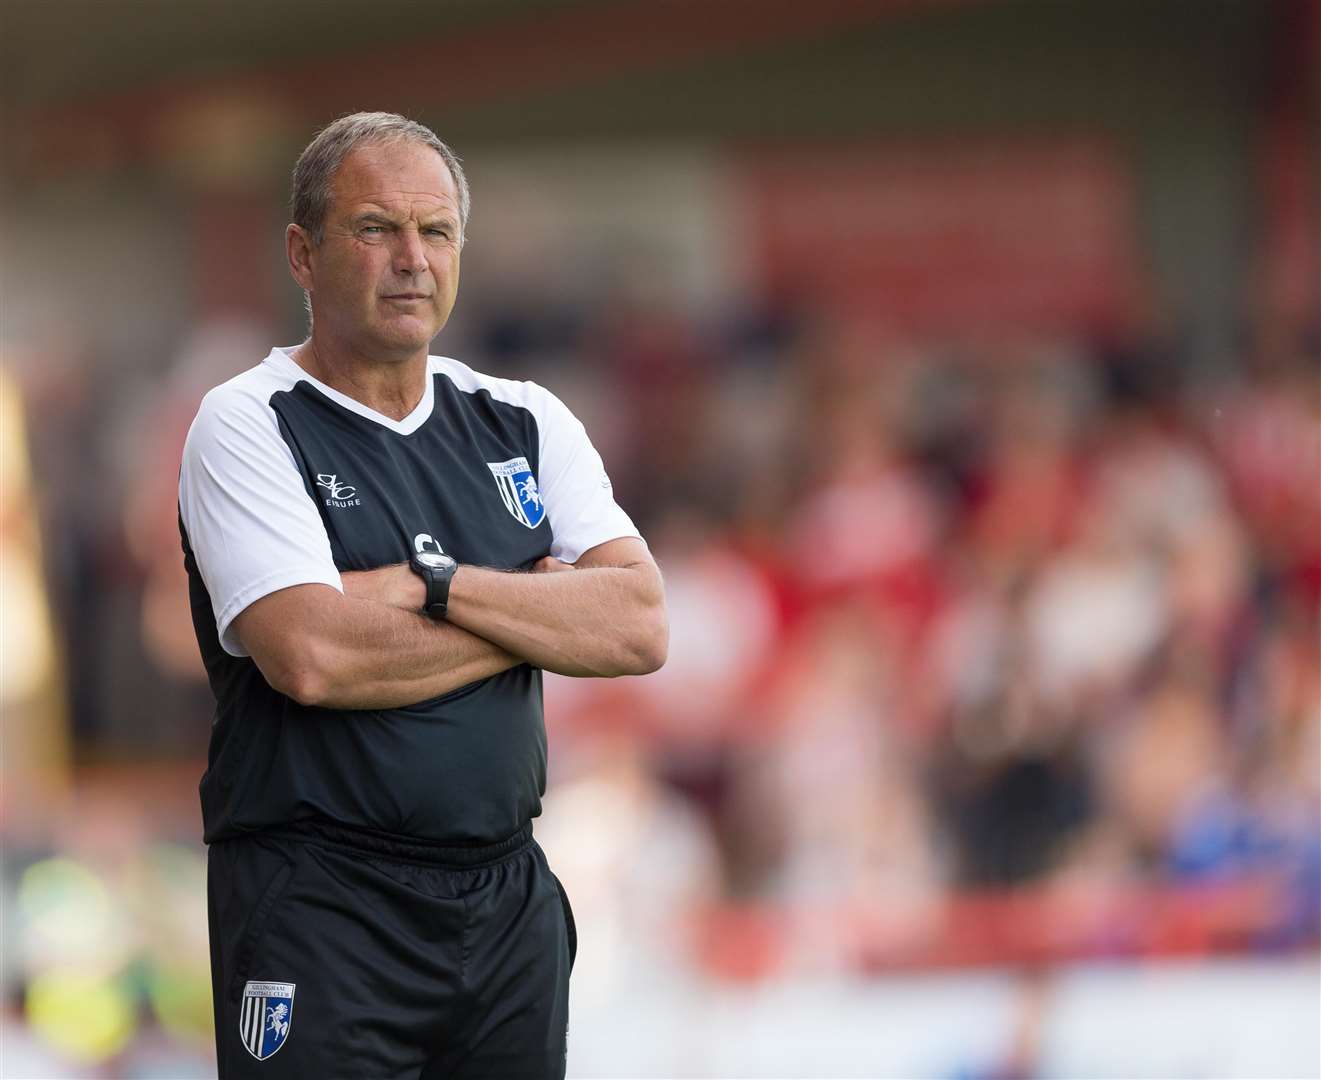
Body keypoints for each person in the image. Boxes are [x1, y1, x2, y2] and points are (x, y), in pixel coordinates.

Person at [178, 112, 667, 1079]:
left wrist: (427, 586)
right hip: (321, 898)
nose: (412, 259)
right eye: (375, 229)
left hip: (506, 897)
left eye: (435, 232)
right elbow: (315, 657)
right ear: (302, 254)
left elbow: (641, 624)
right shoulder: (247, 421)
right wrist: (534, 619)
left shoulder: (524, 418)